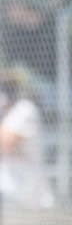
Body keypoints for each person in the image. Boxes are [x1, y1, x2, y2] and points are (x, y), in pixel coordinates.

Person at [0, 67, 49, 208]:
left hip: (28, 195)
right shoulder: (6, 115)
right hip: (7, 193)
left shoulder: (25, 109)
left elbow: (5, 144)